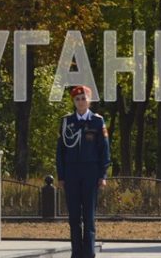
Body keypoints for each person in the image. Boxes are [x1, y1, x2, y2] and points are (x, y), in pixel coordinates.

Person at [56, 84, 110, 258]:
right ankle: (76, 252)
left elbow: (104, 150)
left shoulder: (97, 121)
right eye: (77, 99)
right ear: (74, 101)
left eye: (84, 99)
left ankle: (89, 253)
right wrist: (61, 175)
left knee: (88, 216)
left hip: (90, 172)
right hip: (71, 172)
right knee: (73, 216)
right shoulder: (67, 122)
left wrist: (103, 175)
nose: (80, 102)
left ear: (89, 101)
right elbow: (60, 151)